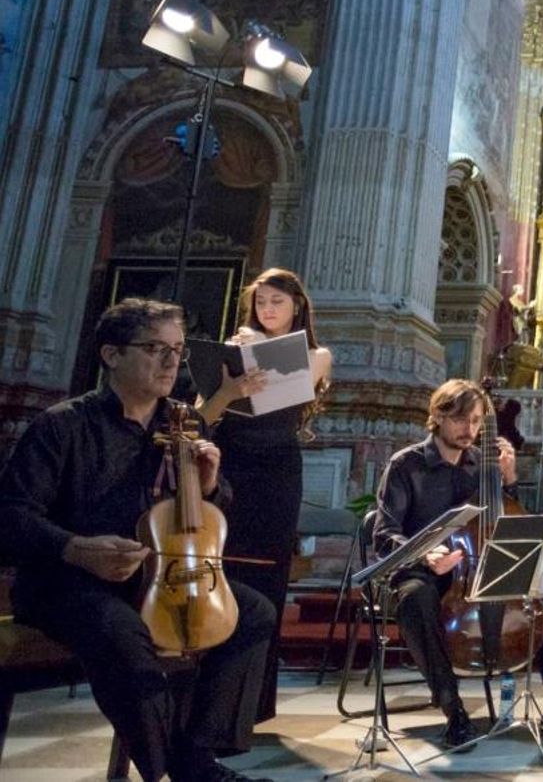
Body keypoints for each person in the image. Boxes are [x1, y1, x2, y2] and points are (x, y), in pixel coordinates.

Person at [0, 298, 275, 782]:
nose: (171, 362)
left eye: (178, 350)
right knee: (123, 632)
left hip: (157, 578)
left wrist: (210, 485)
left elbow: (210, 512)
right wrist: (75, 548)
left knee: (253, 613)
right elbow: (11, 515)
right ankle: (183, 770)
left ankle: (196, 751)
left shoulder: (186, 422)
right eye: (154, 348)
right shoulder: (63, 425)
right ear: (111, 354)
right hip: (67, 581)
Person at [371, 379, 543, 747]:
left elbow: (508, 523)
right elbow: (384, 533)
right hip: (423, 571)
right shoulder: (406, 465)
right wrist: (424, 554)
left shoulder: (481, 463)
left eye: (475, 421)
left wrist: (510, 479)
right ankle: (452, 708)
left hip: (477, 570)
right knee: (416, 598)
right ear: (437, 416)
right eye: (460, 420)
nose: (469, 430)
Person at [195, 268, 333, 723]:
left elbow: (281, 397)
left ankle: (250, 704)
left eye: (276, 301)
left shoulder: (317, 355)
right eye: (260, 302)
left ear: (297, 305)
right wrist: (228, 385)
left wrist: (254, 352)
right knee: (221, 566)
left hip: (275, 468)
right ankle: (204, 692)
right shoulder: (233, 349)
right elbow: (203, 416)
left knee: (266, 579)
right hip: (230, 461)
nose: (267, 309)